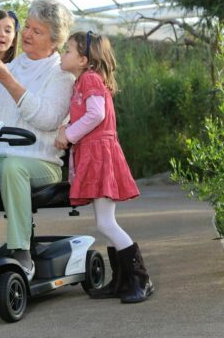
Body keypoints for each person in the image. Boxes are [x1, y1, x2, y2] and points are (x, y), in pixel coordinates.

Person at [0, 0, 75, 280]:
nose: (27, 35)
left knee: (10, 166)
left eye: (37, 31)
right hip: (1, 161)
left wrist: (6, 78)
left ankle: (21, 251)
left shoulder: (61, 74)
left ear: (55, 40)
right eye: (29, 27)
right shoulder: (9, 65)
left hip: (41, 164)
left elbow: (47, 119)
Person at [54, 31, 154, 303]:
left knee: (106, 222)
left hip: (100, 156)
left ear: (84, 59)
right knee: (105, 222)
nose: (63, 55)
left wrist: (69, 134)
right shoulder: (83, 81)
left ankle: (140, 279)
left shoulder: (89, 79)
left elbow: (96, 114)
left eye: (67, 51)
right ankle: (121, 280)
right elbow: (85, 112)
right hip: (95, 155)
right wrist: (65, 128)